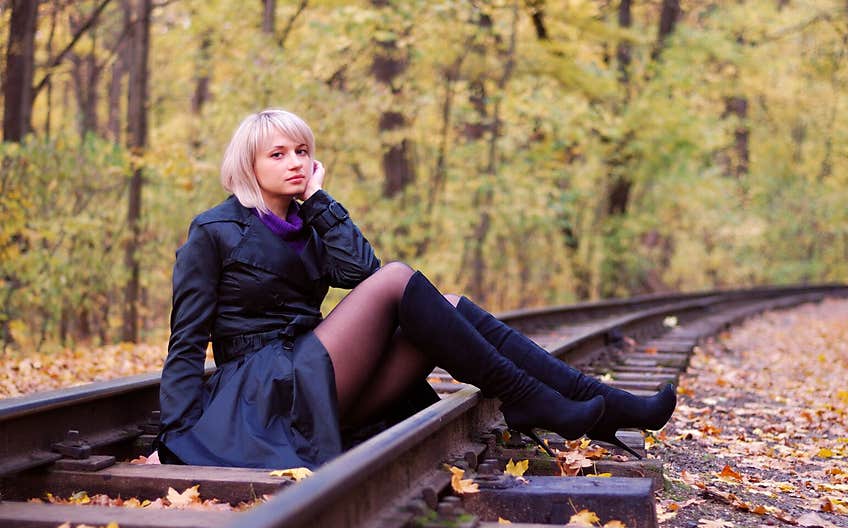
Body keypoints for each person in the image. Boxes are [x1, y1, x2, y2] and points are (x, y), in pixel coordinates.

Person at [153, 108, 676, 469]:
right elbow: (187, 338)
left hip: (310, 381)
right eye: (278, 154)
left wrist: (320, 200)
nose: (294, 162)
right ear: (249, 165)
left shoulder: (311, 221)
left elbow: (360, 271)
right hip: (263, 393)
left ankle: (601, 401)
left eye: (302, 151)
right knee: (402, 278)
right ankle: (530, 400)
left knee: (444, 306)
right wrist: (176, 436)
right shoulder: (214, 231)